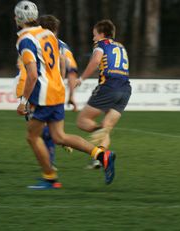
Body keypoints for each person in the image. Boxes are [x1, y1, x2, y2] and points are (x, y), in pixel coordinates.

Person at [14, 0, 116, 189]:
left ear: (17, 19)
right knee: (59, 136)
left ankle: (50, 178)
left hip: (44, 95)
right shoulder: (48, 34)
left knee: (32, 137)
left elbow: (33, 74)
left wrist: (23, 101)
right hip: (57, 91)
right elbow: (61, 63)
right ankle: (102, 155)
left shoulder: (25, 40)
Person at [76, 20, 131, 168]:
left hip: (109, 86)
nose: (93, 38)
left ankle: (100, 135)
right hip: (125, 89)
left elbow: (95, 62)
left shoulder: (101, 44)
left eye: (94, 35)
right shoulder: (121, 46)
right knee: (106, 126)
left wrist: (81, 79)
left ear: (101, 34)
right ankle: (101, 157)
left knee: (82, 121)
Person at [38, 15, 79, 112]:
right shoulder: (63, 47)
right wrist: (71, 96)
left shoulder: (35, 42)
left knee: (36, 124)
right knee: (55, 125)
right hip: (58, 91)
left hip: (40, 89)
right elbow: (72, 70)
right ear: (56, 29)